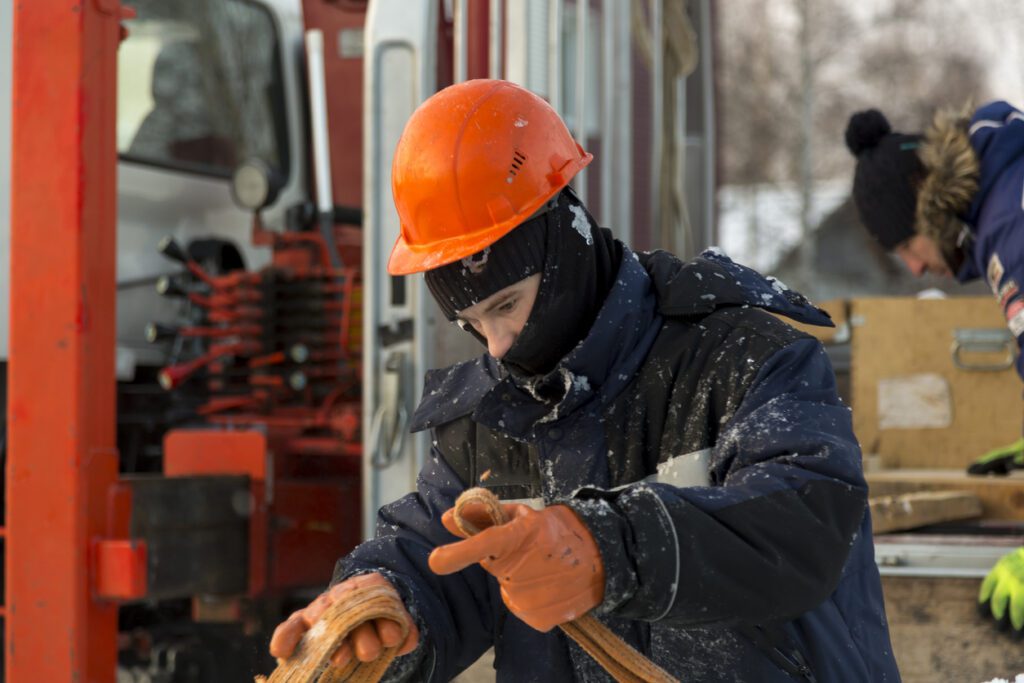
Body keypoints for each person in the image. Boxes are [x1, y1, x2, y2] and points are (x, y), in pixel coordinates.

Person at [267, 78, 900, 682]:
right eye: (471, 321)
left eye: (506, 305)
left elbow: (808, 516)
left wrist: (609, 549)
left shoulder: (737, 354)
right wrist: (388, 599)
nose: (498, 345)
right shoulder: (490, 416)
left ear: (563, 241)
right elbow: (444, 554)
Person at [845, 102, 1024, 635]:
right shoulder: (1007, 192)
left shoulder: (1012, 230)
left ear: (928, 204)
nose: (917, 267)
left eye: (906, 245)